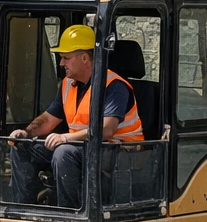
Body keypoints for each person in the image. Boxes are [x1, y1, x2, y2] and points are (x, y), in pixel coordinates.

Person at [9, 25, 144, 208]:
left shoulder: (114, 86)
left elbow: (106, 130)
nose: (61, 63)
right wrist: (26, 133)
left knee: (63, 153)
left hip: (117, 153)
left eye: (66, 57)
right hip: (84, 148)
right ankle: (22, 207)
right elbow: (48, 119)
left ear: (85, 58)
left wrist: (65, 137)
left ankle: (70, 212)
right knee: (21, 147)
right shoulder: (68, 84)